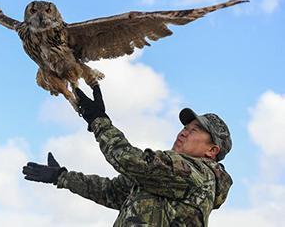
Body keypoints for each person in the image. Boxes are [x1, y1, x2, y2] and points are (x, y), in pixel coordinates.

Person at [22, 85, 233, 226]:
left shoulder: (199, 174)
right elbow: (111, 192)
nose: (184, 131)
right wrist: (62, 176)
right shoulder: (165, 178)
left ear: (212, 150)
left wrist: (98, 120)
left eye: (194, 130)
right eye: (185, 126)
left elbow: (129, 160)